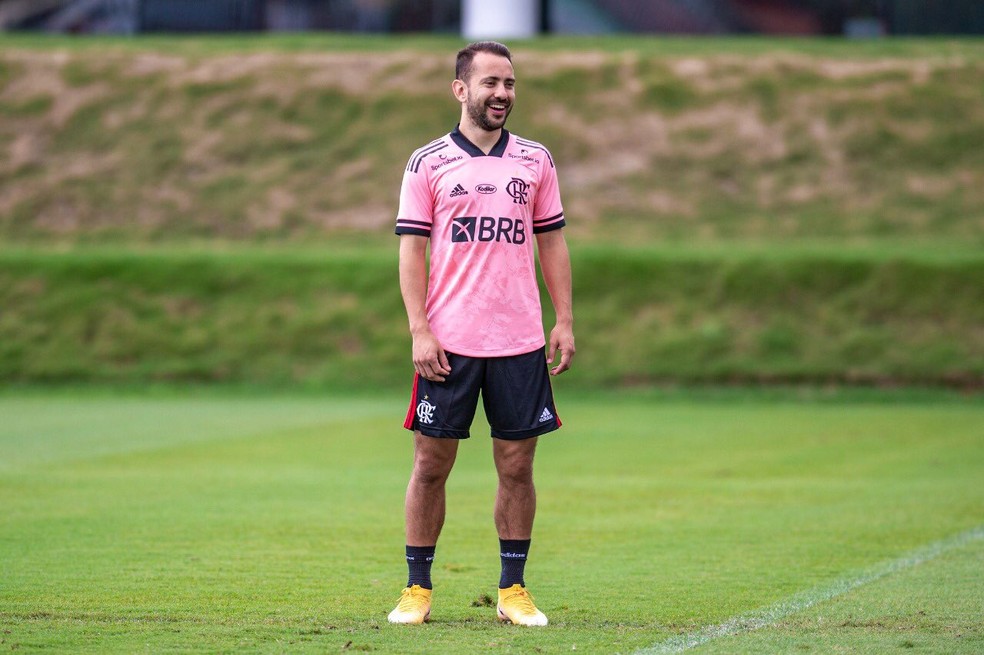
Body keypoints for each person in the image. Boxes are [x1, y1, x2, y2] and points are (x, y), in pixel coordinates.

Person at [389, 40, 575, 626]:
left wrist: (563, 317)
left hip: (519, 341)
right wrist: (420, 329)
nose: (502, 94)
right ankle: (417, 589)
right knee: (430, 464)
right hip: (450, 342)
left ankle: (513, 589)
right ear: (461, 89)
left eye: (511, 84)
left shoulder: (536, 161)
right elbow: (411, 253)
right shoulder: (428, 163)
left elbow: (552, 241)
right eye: (491, 82)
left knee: (517, 466)